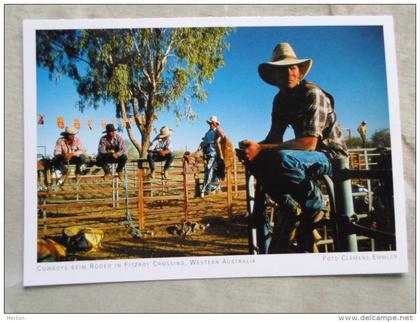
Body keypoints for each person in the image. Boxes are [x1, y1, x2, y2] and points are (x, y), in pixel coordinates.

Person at [239, 43, 348, 252]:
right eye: (282, 69)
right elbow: (274, 137)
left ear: (299, 71)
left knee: (281, 158)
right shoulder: (280, 100)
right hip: (307, 155)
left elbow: (309, 143)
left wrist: (262, 149)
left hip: (330, 155)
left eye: (292, 67)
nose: (289, 72)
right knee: (254, 159)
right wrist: (252, 148)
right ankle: (289, 206)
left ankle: (314, 203)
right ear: (275, 77)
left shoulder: (312, 93)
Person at [197, 116, 226, 196]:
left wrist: (217, 127)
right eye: (210, 123)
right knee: (209, 172)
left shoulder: (218, 131)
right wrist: (204, 153)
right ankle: (208, 189)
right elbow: (204, 144)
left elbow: (223, 135)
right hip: (210, 155)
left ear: (215, 124)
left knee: (218, 172)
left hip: (217, 155)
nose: (211, 124)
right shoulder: (207, 133)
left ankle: (213, 188)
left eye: (212, 123)